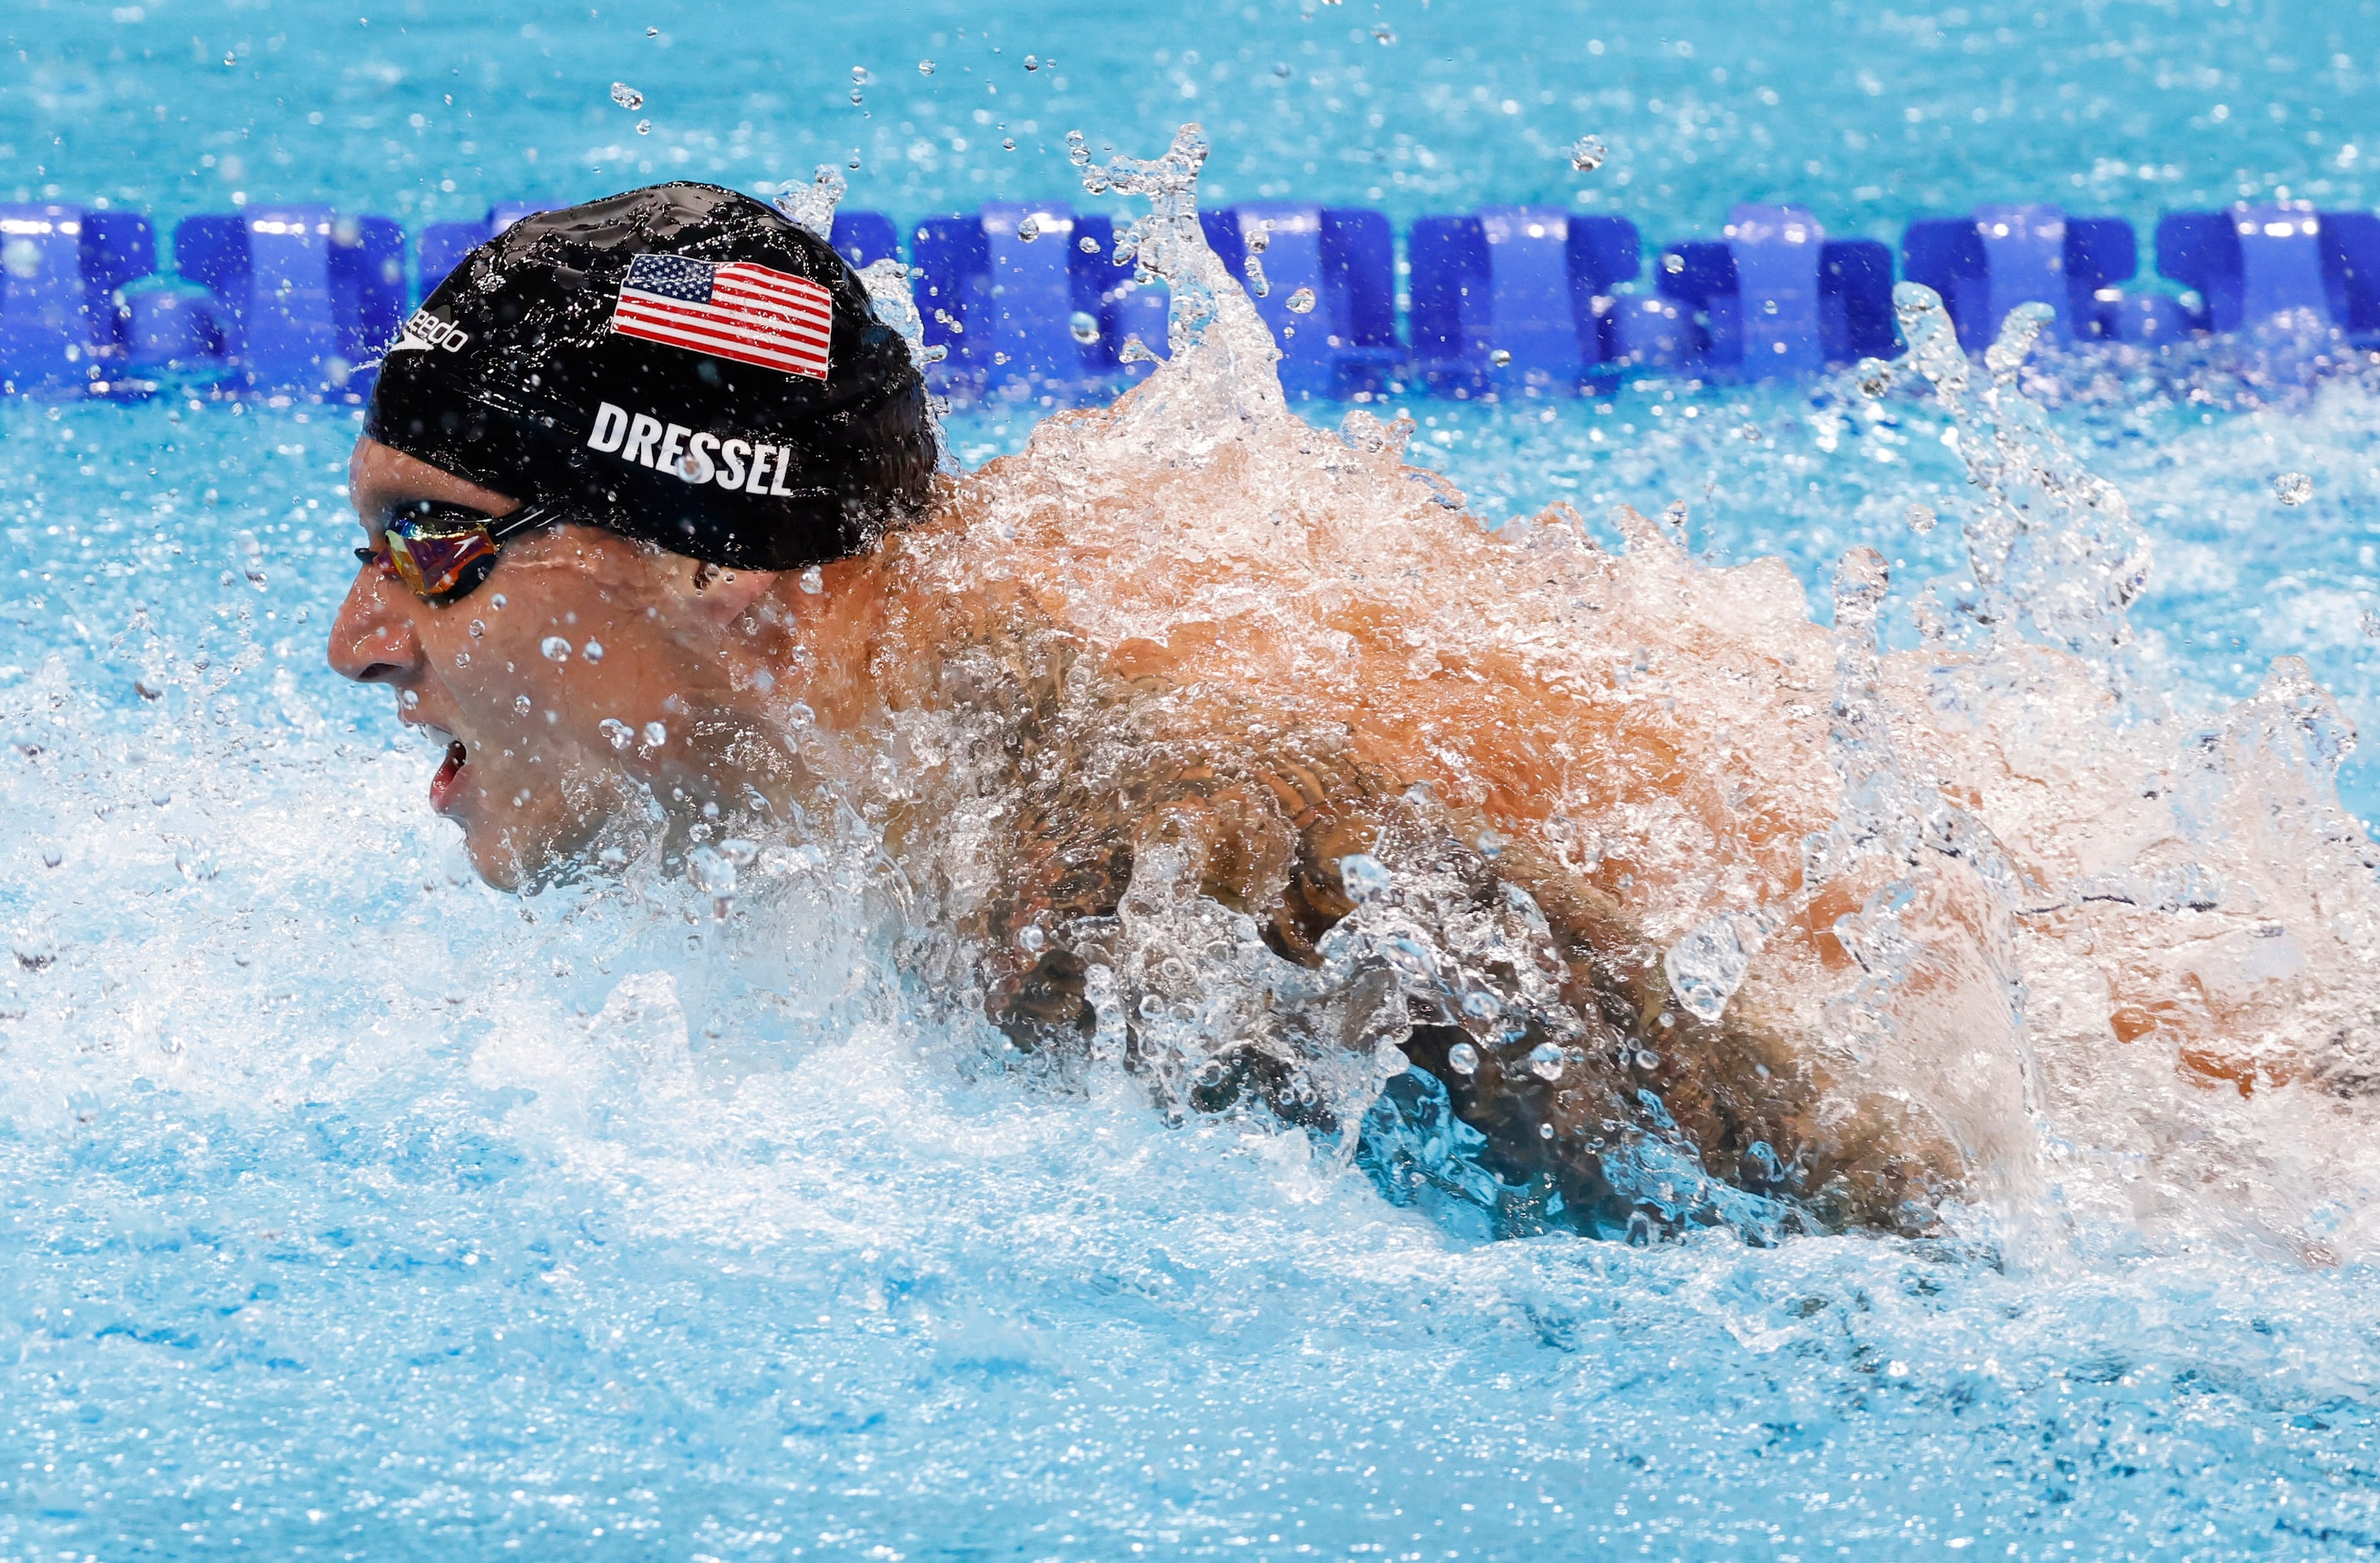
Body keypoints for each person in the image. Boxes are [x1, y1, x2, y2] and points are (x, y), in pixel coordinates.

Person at [332, 181, 1956, 1239]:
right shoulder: (911, 723)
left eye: (431, 543)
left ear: (716, 564)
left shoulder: (1094, 873)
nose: (357, 640)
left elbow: (1845, 1212)